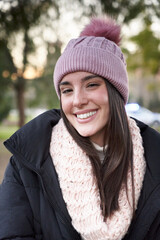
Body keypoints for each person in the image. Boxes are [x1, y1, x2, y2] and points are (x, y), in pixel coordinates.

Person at [0, 16, 160, 240]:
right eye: (67, 90)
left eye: (91, 85)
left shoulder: (155, 158)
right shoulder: (26, 164)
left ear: (117, 93)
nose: (77, 100)